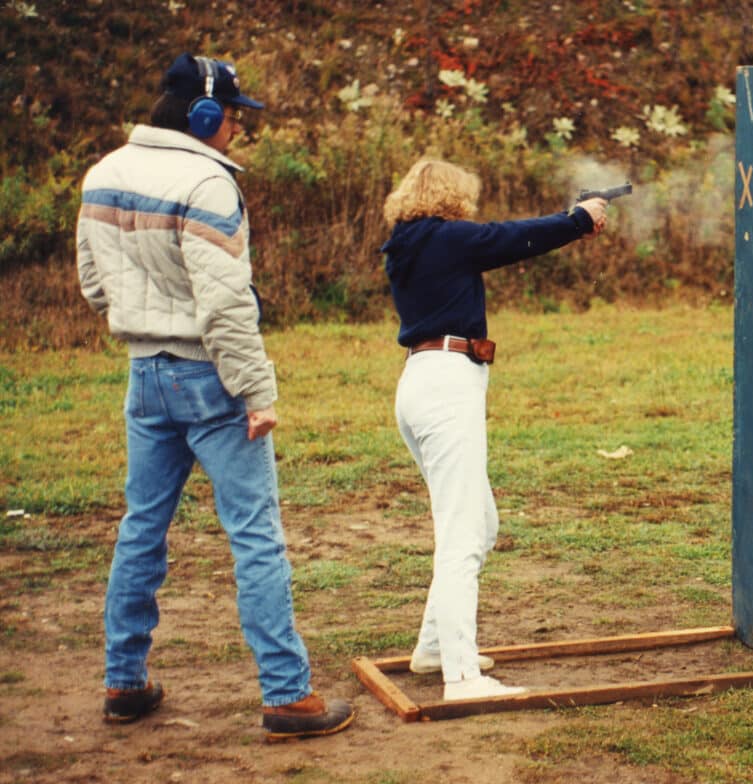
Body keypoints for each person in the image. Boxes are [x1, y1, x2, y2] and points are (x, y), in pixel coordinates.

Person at [76, 53, 354, 741]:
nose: (236, 127)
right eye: (232, 115)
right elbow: (226, 306)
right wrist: (256, 391)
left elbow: (93, 283)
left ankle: (123, 682)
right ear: (203, 115)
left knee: (141, 529)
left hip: (144, 373)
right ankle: (287, 696)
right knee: (256, 536)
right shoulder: (208, 183)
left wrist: (143, 318)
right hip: (210, 377)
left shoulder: (104, 172)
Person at [380, 158, 607, 700]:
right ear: (449, 197)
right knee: (462, 535)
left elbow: (502, 237)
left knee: (480, 523)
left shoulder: (409, 243)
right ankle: (462, 677)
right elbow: (513, 238)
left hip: (422, 381)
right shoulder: (446, 239)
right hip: (446, 384)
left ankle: (435, 648)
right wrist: (578, 220)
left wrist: (574, 218)